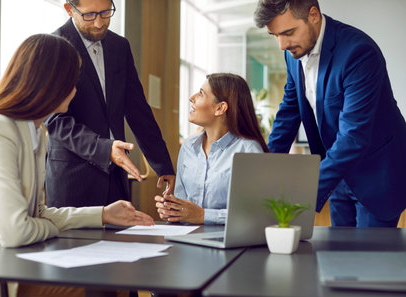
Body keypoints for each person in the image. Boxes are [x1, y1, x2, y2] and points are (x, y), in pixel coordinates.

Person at [0, 33, 153, 297]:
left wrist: (104, 213)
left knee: (109, 281)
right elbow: (16, 232)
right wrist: (47, 226)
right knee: (92, 286)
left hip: (18, 262)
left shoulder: (35, 132)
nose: (75, 90)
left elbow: (38, 213)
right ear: (49, 83)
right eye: (72, 81)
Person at [254, 0, 406, 227]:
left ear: (313, 15)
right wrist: (263, 176)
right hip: (336, 173)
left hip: (376, 173)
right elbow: (288, 114)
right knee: (340, 256)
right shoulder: (292, 54)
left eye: (288, 32)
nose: (282, 45)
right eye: (274, 35)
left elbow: (353, 136)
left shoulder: (359, 53)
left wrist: (303, 193)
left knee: (371, 259)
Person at [45, 0, 175, 209]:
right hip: (73, 182)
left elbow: (137, 109)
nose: (99, 23)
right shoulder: (54, 46)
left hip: (116, 180)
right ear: (69, 9)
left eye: (106, 13)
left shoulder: (120, 46)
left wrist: (162, 164)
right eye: (89, 15)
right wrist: (105, 150)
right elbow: (55, 121)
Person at [155, 73, 269, 225]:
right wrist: (172, 210)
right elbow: (182, 204)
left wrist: (203, 215)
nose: (192, 98)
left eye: (201, 93)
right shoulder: (188, 147)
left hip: (228, 241)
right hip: (186, 238)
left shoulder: (248, 150)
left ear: (220, 108)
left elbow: (255, 213)